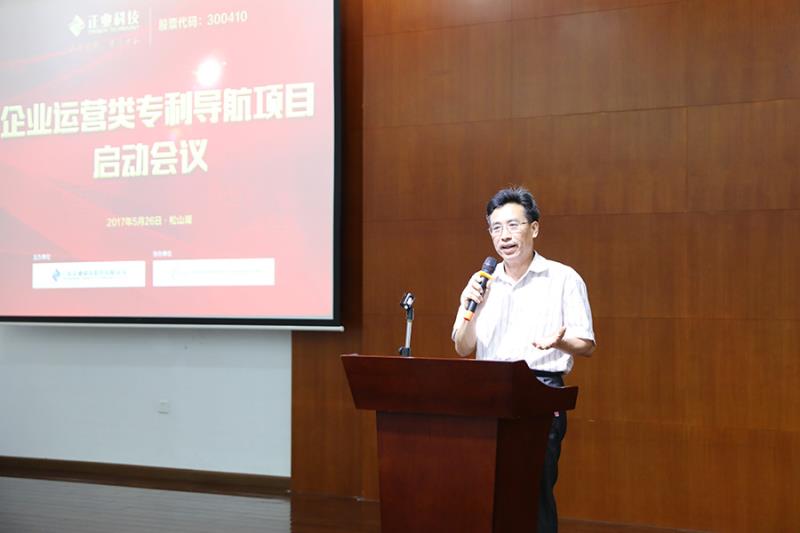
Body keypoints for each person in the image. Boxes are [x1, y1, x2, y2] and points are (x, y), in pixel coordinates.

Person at [452, 186, 596, 533]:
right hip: (488, 395)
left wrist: (560, 341)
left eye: (513, 225)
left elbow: (587, 343)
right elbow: (462, 346)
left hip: (539, 392)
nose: (504, 236)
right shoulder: (481, 283)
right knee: (488, 493)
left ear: (534, 228)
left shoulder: (562, 278)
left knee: (532, 493)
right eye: (496, 227)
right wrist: (473, 308)